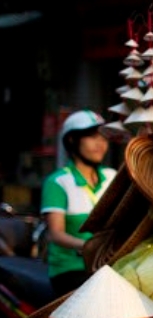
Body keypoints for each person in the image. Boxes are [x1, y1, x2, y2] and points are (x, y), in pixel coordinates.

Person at [40, 109, 117, 297]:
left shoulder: (111, 177)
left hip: (107, 266)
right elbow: (56, 234)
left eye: (104, 138)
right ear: (72, 140)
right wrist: (90, 247)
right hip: (71, 269)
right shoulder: (58, 182)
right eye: (92, 137)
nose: (100, 144)